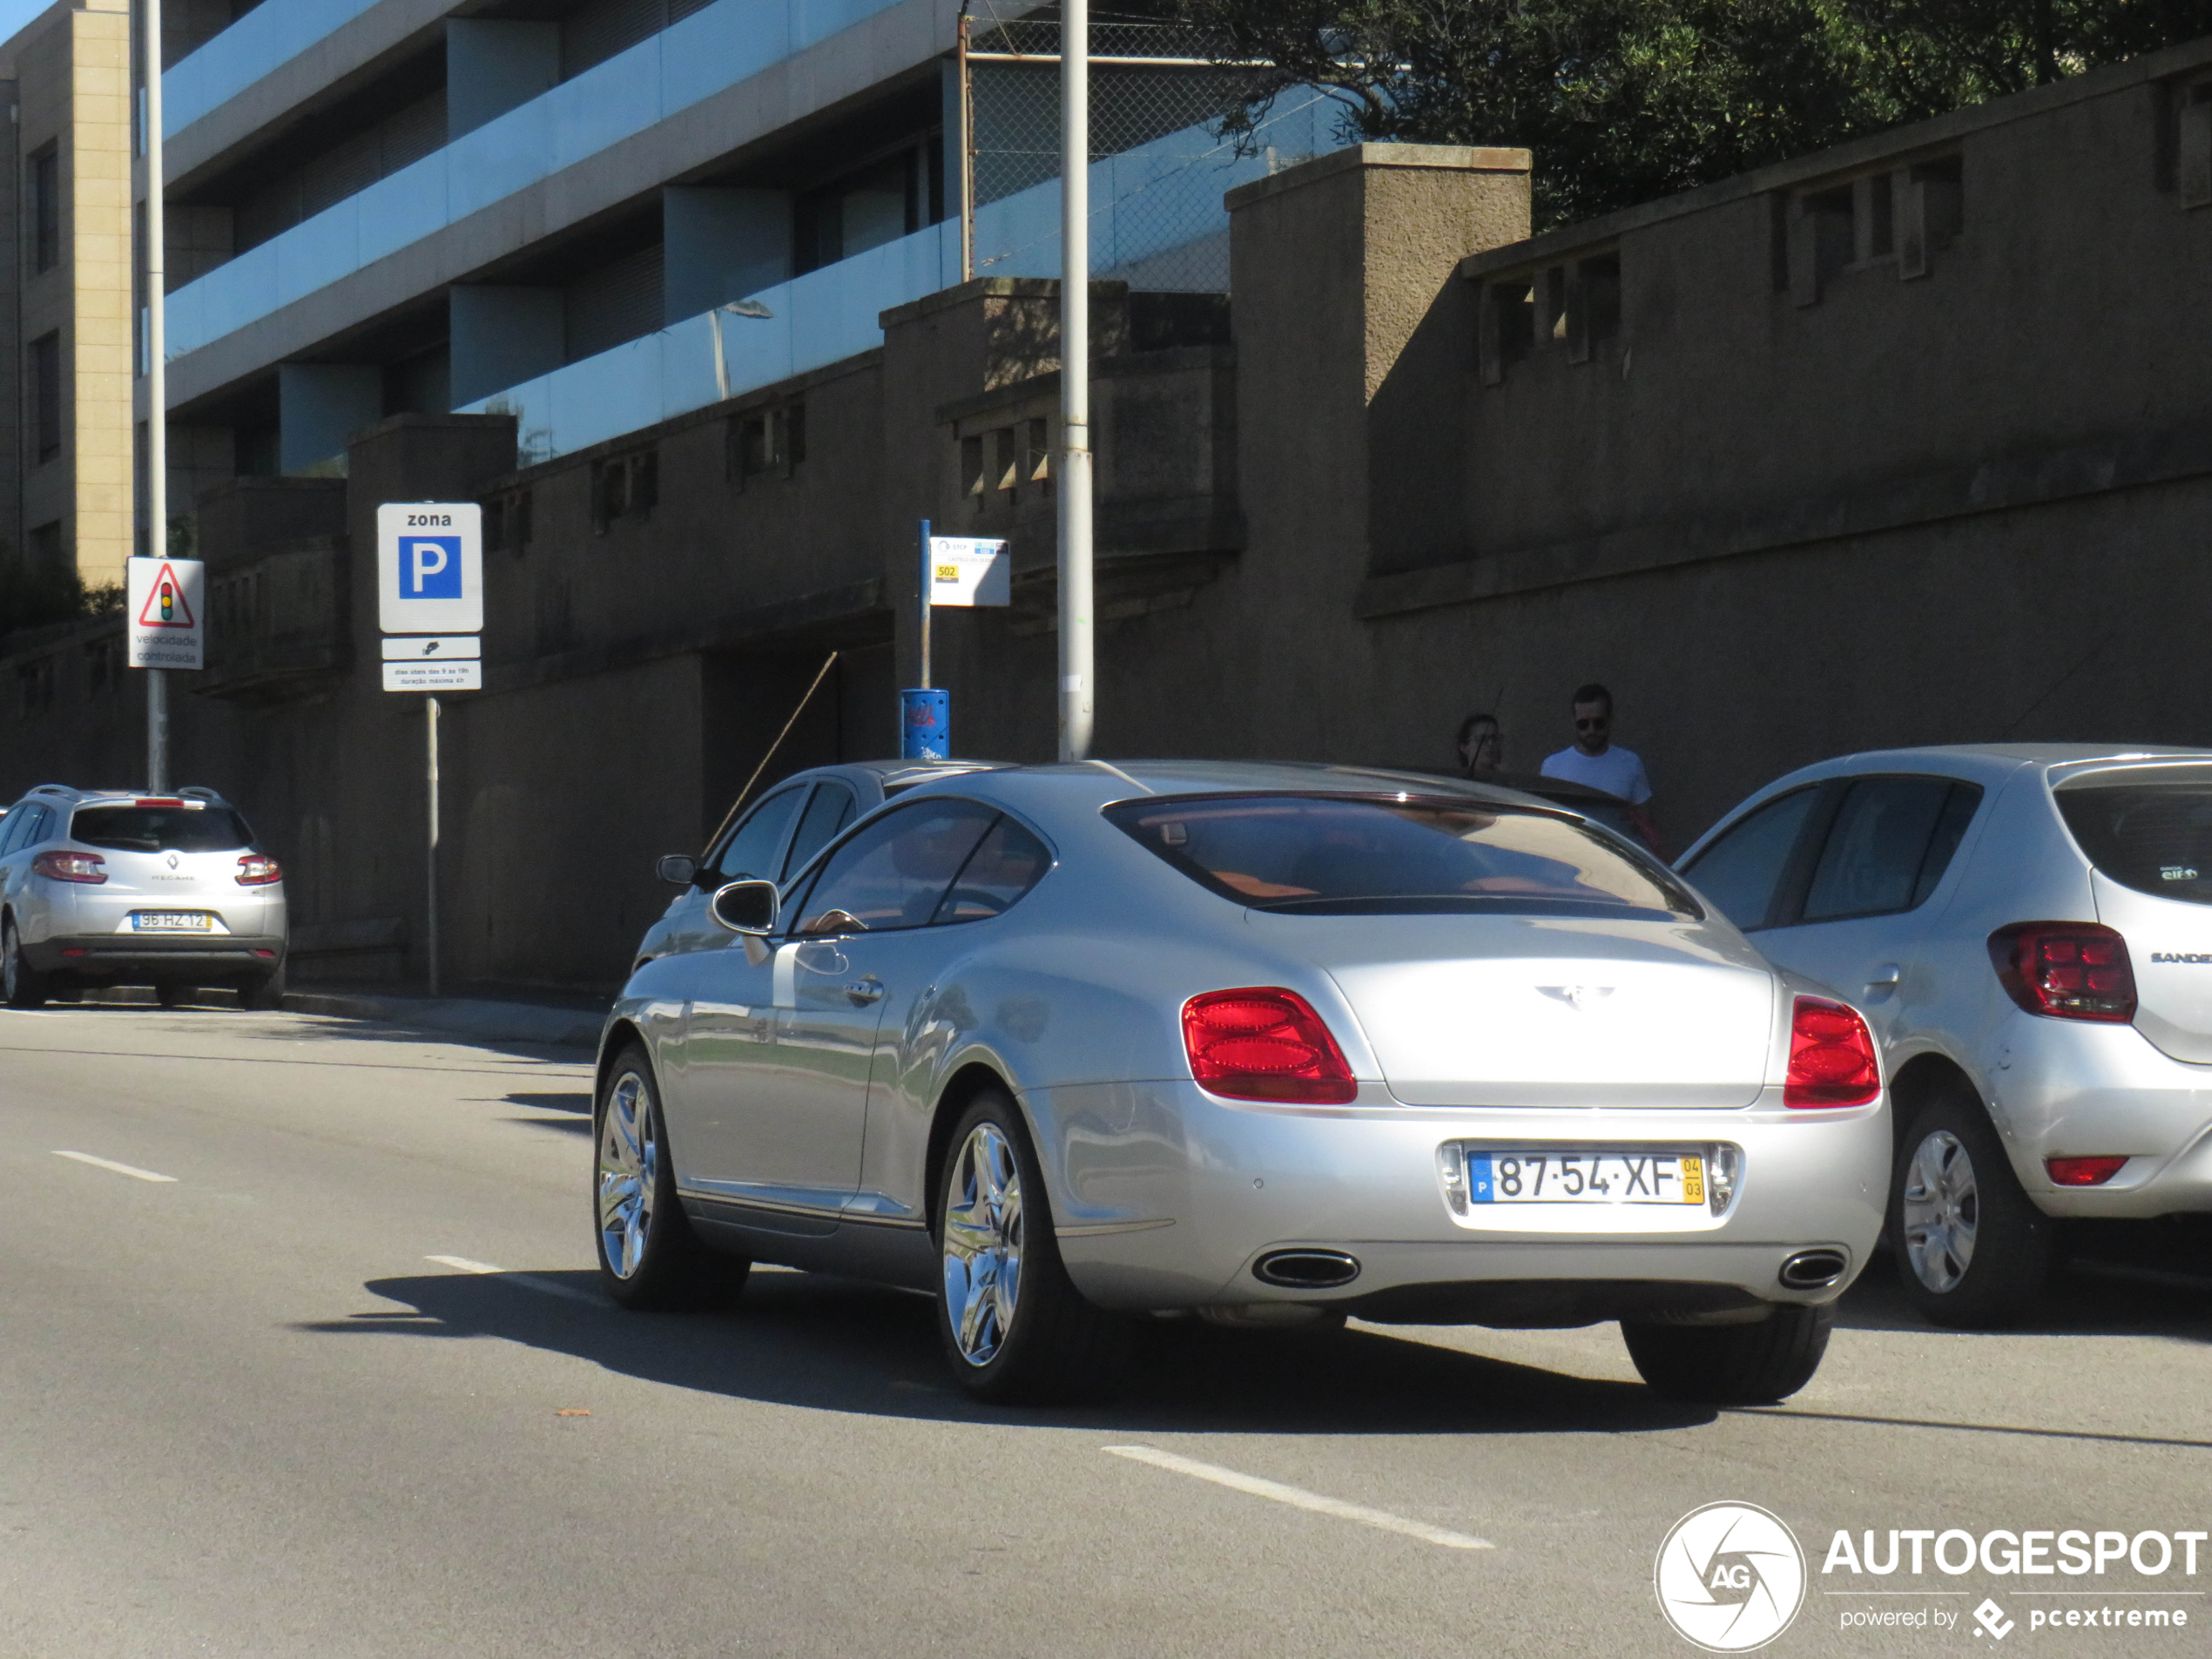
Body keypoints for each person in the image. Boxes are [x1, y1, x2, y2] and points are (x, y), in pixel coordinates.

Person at [1541, 682, 1661, 853]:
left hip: (1620, 859)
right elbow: (1546, 824)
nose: (1591, 730)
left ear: (1610, 719)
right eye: (1583, 724)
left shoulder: (1629, 763)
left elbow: (1646, 824)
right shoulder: (1553, 766)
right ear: (1574, 721)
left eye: (1598, 723)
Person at [1455, 711, 1502, 776]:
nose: (1490, 744)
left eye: (1494, 739)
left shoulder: (1505, 780)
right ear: (1464, 747)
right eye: (1482, 739)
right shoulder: (1457, 781)